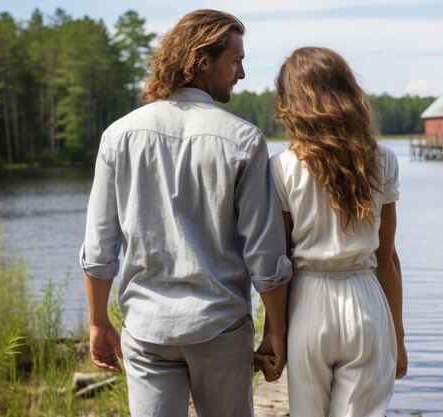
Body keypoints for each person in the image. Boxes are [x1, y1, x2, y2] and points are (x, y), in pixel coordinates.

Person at [80, 9, 291, 417]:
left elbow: (99, 246)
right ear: (201, 61)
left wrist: (97, 322)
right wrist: (275, 330)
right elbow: (264, 254)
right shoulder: (243, 139)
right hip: (220, 327)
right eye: (236, 61)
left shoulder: (118, 136)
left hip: (146, 328)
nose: (241, 73)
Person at [267, 47, 408, 417]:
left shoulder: (280, 167)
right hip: (365, 300)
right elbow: (387, 257)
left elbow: (279, 263)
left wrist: (275, 333)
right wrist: (399, 335)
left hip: (306, 303)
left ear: (290, 101)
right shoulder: (382, 161)